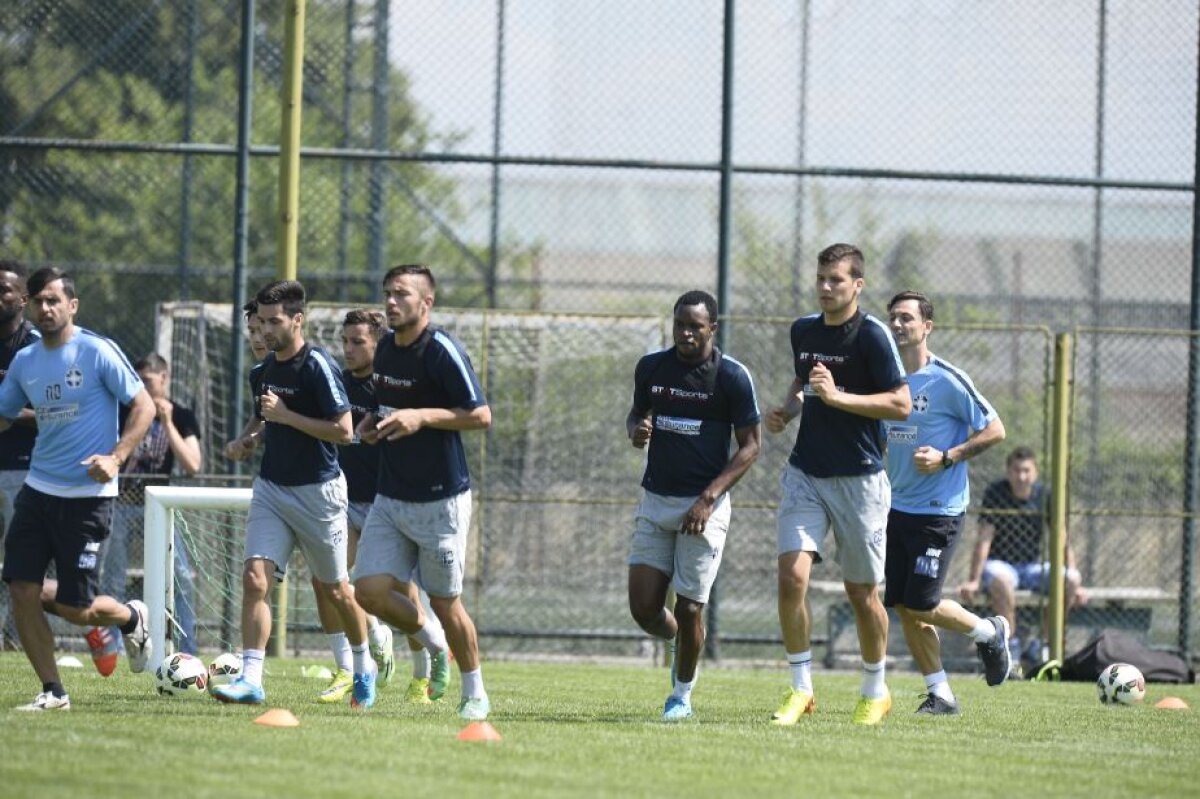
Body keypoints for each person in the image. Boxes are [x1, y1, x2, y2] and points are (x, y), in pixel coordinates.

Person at [765, 243, 912, 726]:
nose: (826, 287)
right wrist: (788, 409)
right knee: (792, 578)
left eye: (836, 280)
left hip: (860, 481)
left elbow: (900, 405)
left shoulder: (872, 336)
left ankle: (875, 690)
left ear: (858, 285)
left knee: (862, 594)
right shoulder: (803, 330)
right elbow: (803, 383)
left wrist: (838, 397)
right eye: (821, 279)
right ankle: (800, 689)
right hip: (806, 473)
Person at [214, 280, 377, 708]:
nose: (265, 331)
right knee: (255, 579)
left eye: (274, 322)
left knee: (335, 590)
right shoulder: (262, 371)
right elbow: (262, 420)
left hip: (319, 493)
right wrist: (246, 440)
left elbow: (343, 431)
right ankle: (251, 679)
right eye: (261, 322)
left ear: (297, 320)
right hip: (272, 488)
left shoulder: (317, 365)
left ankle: (363, 665)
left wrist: (287, 416)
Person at [0, 266, 155, 710]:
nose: (45, 308)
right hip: (38, 491)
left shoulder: (96, 350)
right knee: (21, 587)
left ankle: (129, 616)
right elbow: (4, 414)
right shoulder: (25, 362)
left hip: (88, 498)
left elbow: (143, 405)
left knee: (75, 608)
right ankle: (53, 691)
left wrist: (116, 457)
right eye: (38, 301)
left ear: (72, 305)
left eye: (53, 300)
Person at [353, 264, 492, 721]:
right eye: (387, 293)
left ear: (426, 303)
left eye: (402, 294)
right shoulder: (385, 348)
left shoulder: (441, 350)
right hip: (391, 495)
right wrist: (372, 425)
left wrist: (422, 417)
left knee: (447, 603)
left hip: (440, 501)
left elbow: (481, 415)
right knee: (367, 591)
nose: (391, 302)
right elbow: (384, 406)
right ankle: (434, 642)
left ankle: (475, 692)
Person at [626, 290, 761, 721]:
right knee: (644, 609)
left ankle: (681, 696)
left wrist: (708, 498)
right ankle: (677, 641)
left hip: (704, 508)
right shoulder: (652, 367)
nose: (685, 333)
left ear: (712, 329)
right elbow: (636, 413)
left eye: (695, 327)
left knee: (689, 608)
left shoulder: (731, 377)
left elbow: (751, 447)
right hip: (656, 499)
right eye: (680, 324)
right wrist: (637, 429)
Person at [881, 291, 1011, 714]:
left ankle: (989, 632)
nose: (897, 325)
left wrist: (946, 457)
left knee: (922, 602)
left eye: (906, 318)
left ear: (927, 327)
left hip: (939, 511)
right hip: (896, 508)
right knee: (904, 607)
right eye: (893, 317)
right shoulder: (885, 378)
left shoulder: (947, 379)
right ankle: (941, 694)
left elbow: (995, 430)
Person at [312, 308, 448, 705]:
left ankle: (421, 674)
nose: (349, 349)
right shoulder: (336, 384)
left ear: (379, 344)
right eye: (345, 341)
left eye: (358, 342)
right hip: (344, 499)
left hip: (386, 504)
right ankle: (361, 653)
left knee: (402, 590)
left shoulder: (390, 388)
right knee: (328, 580)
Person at [96, 354, 202, 655]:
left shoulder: (182, 415)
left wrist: (167, 422)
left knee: (181, 576)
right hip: (120, 503)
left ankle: (187, 647)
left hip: (158, 505)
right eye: (138, 381)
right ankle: (115, 646)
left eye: (148, 381)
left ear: (164, 378)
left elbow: (193, 464)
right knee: (113, 576)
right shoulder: (124, 411)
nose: (141, 387)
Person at [959, 446, 1089, 669]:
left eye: (1026, 471)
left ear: (1035, 472)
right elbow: (984, 539)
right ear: (1008, 472)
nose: (1021, 476)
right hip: (1001, 565)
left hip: (1032, 567)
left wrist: (1075, 578)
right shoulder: (996, 493)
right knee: (1001, 580)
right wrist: (974, 580)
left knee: (1072, 579)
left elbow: (1061, 538)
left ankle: (1042, 644)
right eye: (1016, 470)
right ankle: (1011, 646)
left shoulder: (1045, 495)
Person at [0, 260, 38, 650]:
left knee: (21, 559)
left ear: (23, 298)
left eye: (4, 291)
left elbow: (55, 414)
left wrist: (8, 411)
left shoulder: (36, 347)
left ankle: (15, 638)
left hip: (23, 468)